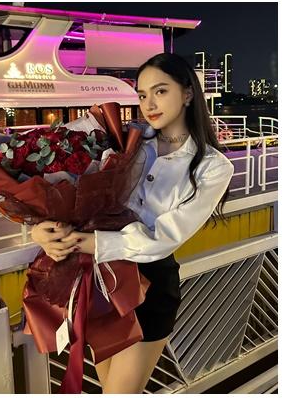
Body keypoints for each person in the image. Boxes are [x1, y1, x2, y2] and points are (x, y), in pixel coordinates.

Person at [31, 53, 234, 393]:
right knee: (108, 388)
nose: (148, 104)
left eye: (160, 91)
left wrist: (80, 241)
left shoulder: (213, 167)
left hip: (149, 286)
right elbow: (74, 196)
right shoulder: (126, 144)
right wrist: (40, 230)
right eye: (141, 95)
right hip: (99, 282)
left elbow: (163, 238)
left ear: (187, 94)